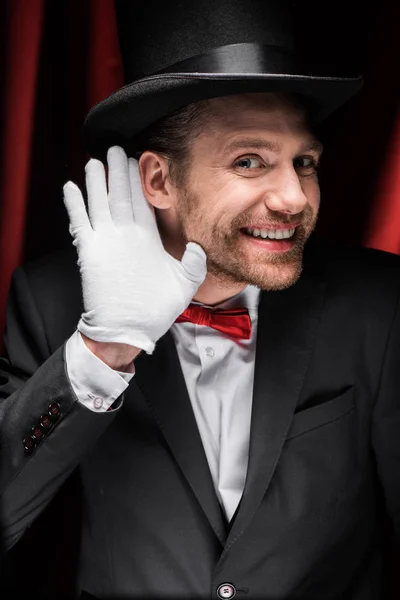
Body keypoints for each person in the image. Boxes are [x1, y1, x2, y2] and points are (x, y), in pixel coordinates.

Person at [0, 0, 399, 598]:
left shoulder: (378, 302)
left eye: (304, 162)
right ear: (159, 180)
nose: (293, 196)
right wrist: (102, 350)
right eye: (249, 161)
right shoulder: (51, 299)